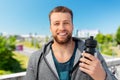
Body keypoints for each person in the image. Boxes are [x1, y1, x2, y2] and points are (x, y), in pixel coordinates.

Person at [25, 6, 117, 80]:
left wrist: (103, 77)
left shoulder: (93, 55)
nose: (62, 28)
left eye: (66, 23)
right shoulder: (36, 59)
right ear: (50, 28)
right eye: (56, 23)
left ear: (72, 27)